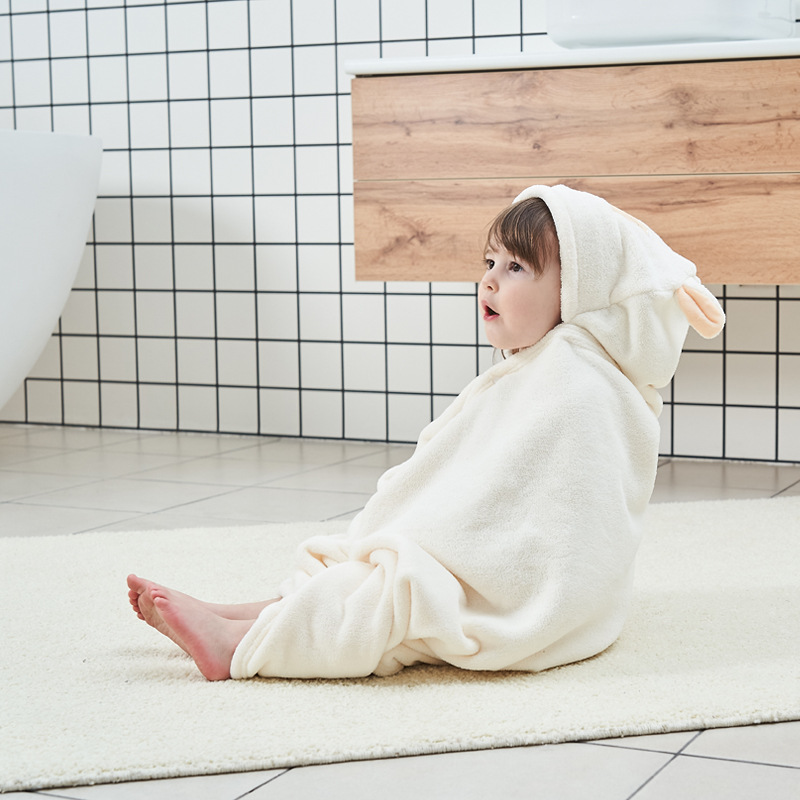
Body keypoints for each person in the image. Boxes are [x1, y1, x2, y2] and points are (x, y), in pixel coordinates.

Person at [128, 184, 725, 681]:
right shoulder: (546, 365)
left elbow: (541, 524)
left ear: (578, 293)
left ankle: (237, 645)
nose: (490, 281)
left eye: (516, 268)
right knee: (372, 569)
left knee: (405, 591)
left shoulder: (577, 383)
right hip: (485, 557)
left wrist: (439, 540)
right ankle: (250, 614)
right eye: (489, 263)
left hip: (519, 590)